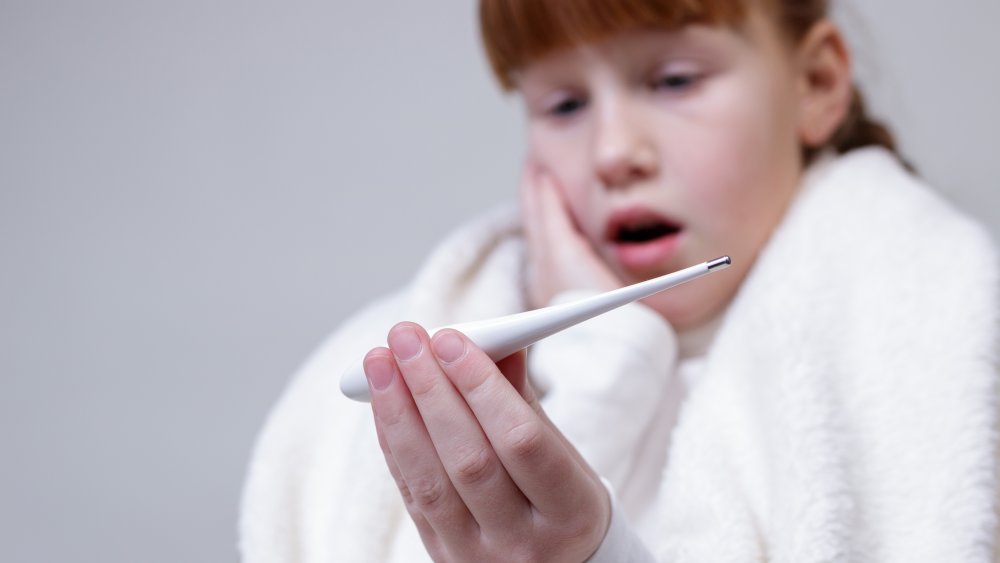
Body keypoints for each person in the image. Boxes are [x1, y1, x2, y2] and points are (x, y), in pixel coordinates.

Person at [239, 0, 1000, 561]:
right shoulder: (356, 394)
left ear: (817, 82)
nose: (612, 151)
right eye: (564, 103)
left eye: (672, 80)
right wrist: (600, 358)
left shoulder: (955, 342)